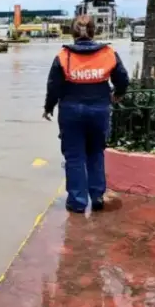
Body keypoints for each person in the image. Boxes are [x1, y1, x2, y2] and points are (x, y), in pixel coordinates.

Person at [43, 15, 129, 213]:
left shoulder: (63, 56)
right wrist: (118, 94)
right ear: (94, 32)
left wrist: (48, 108)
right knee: (95, 153)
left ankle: (77, 203)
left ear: (73, 33)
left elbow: (53, 87)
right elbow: (122, 79)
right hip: (99, 111)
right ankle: (97, 197)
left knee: (74, 158)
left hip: (71, 112)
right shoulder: (108, 53)